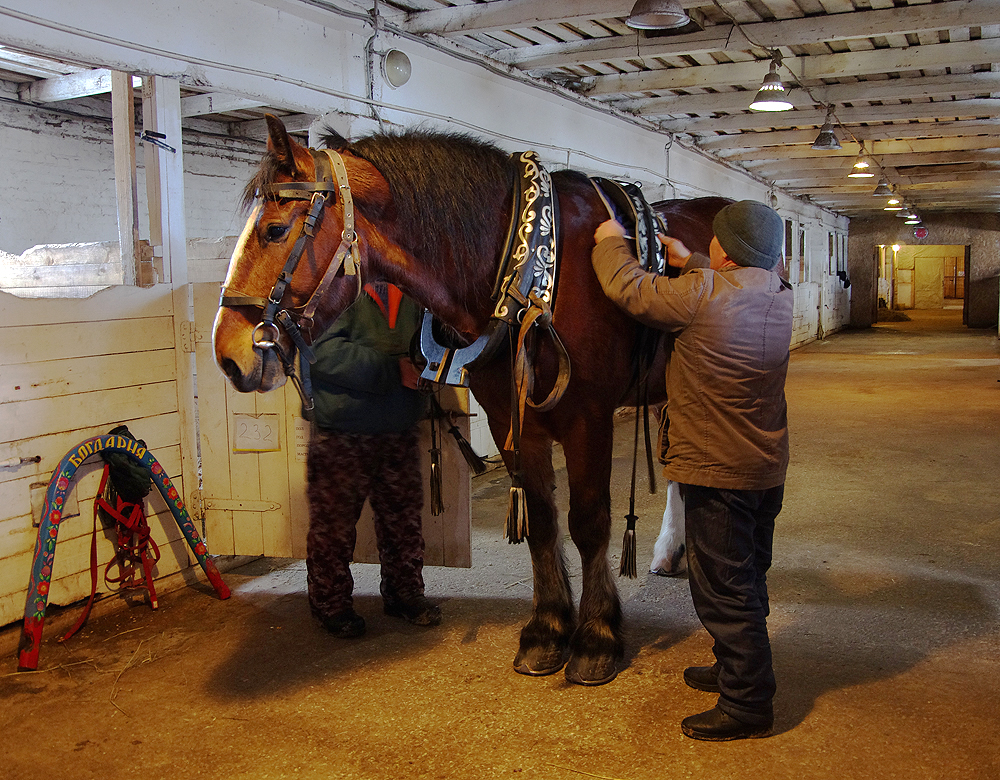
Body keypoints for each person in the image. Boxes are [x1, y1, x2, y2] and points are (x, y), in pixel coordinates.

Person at [592, 200, 792, 741]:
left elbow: (631, 289)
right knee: (747, 575)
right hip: (763, 467)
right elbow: (726, 285)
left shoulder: (700, 296)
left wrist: (611, 240)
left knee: (722, 591)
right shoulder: (777, 294)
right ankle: (735, 669)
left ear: (725, 248)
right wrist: (692, 258)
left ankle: (748, 703)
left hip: (717, 469)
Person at [305, 281, 441, 638]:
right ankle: (330, 604)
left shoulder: (415, 292)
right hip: (343, 431)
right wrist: (393, 370)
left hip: (399, 427)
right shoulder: (335, 293)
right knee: (333, 526)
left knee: (404, 521)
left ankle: (404, 594)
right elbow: (319, 351)